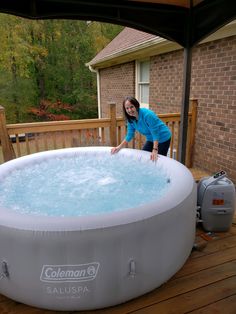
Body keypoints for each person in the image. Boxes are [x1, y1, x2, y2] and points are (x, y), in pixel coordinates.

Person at [111, 96, 171, 162]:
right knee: (143, 158)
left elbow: (155, 133)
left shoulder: (148, 115)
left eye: (131, 107)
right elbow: (129, 135)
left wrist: (155, 149)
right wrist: (119, 147)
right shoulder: (131, 119)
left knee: (158, 160)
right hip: (151, 139)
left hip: (163, 138)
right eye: (127, 108)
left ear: (136, 106)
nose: (130, 110)